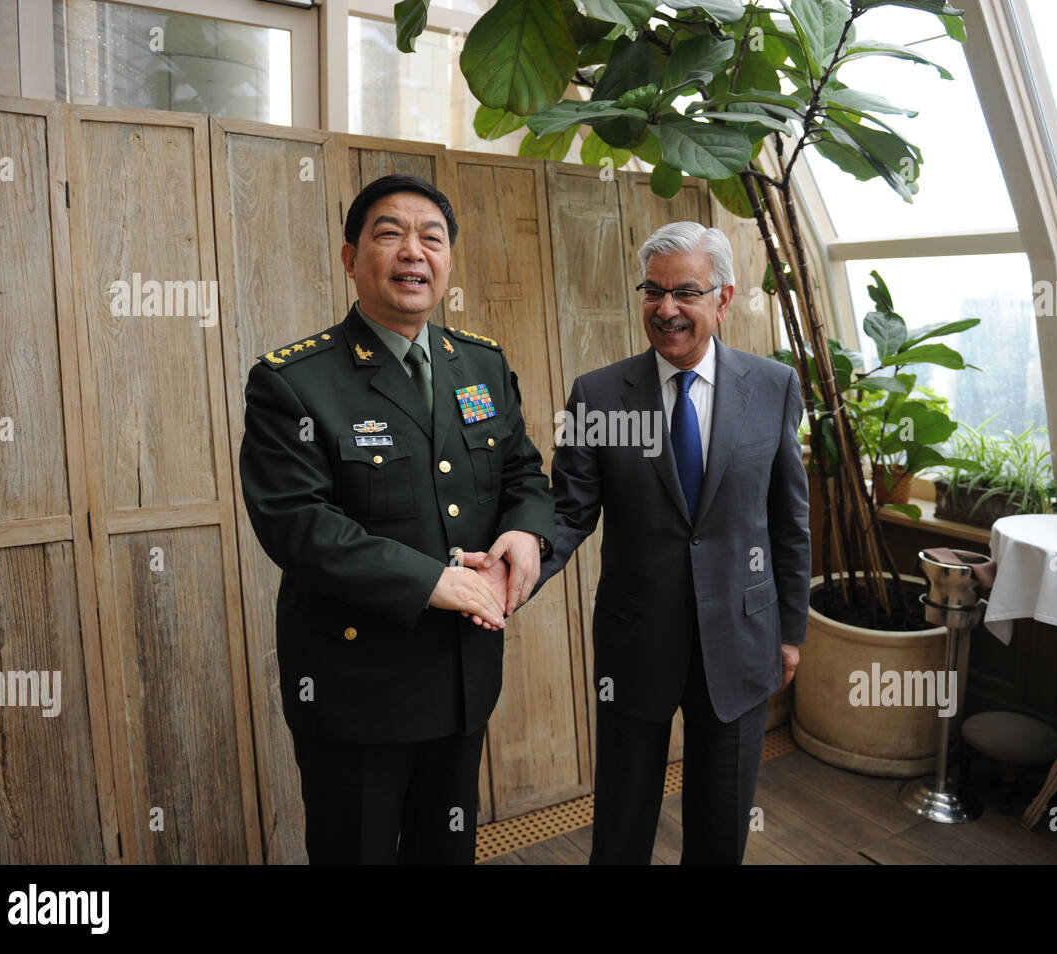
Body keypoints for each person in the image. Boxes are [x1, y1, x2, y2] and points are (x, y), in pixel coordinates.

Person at [239, 173, 554, 864]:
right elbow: (294, 520)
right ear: (351, 258)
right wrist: (431, 583)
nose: (414, 252)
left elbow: (523, 472)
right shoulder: (293, 380)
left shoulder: (480, 363)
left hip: (464, 675)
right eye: (390, 234)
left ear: (447, 262)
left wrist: (526, 534)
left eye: (432, 238)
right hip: (357, 689)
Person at [536, 221, 811, 865]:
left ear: (723, 298)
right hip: (637, 639)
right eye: (653, 292)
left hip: (741, 639)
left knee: (721, 825)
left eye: (685, 293)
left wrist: (790, 629)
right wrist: (510, 571)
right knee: (624, 816)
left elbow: (788, 520)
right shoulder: (599, 394)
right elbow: (567, 512)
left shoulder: (774, 387)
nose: (665, 310)